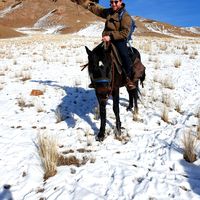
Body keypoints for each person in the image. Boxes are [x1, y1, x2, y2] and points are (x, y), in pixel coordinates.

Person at [72, 0, 136, 89]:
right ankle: (95, 80)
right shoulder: (109, 12)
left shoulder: (125, 16)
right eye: (111, 2)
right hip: (106, 40)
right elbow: (98, 10)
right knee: (94, 55)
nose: (113, 4)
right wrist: (85, 3)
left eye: (116, 2)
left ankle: (129, 79)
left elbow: (125, 33)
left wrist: (111, 37)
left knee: (124, 55)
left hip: (119, 40)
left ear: (121, 2)